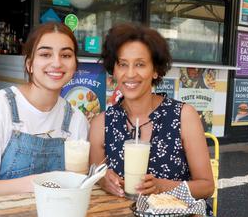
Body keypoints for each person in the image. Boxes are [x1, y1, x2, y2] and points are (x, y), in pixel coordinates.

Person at [0, 23, 89, 199]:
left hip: (49, 216)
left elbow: (75, 184)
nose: (57, 62)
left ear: (74, 66)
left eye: (66, 55)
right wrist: (36, 184)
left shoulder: (76, 119)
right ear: (30, 64)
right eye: (45, 54)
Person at [89, 23, 214, 200]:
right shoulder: (101, 123)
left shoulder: (184, 116)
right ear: (114, 71)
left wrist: (162, 186)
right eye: (123, 64)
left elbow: (207, 186)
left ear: (155, 70)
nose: (130, 74)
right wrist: (102, 180)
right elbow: (95, 174)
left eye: (140, 64)